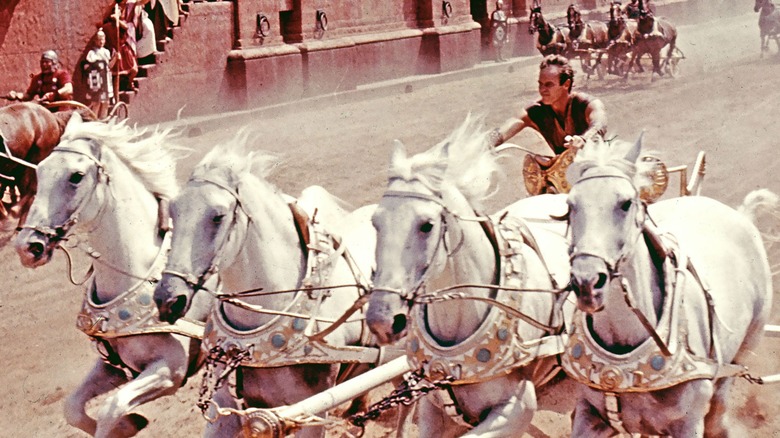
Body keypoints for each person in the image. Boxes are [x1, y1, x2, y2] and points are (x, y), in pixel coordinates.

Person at [488, 55, 607, 191]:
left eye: (549, 84)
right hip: (562, 182)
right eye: (540, 84)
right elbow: (506, 128)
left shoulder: (586, 104)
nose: (542, 89)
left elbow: (599, 124)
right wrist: (486, 143)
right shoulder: (535, 111)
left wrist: (583, 139)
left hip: (597, 176)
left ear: (566, 84)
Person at [8, 50, 74, 102]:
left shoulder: (62, 74)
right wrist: (16, 95)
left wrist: (53, 95)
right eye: (42, 62)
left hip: (62, 110)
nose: (44, 64)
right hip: (45, 111)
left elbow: (69, 89)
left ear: (54, 63)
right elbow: (29, 95)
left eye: (47, 62)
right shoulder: (37, 78)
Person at [84, 29, 116, 119]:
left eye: (103, 39)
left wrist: (116, 58)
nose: (101, 41)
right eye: (99, 39)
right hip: (97, 79)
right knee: (97, 102)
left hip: (106, 79)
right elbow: (91, 65)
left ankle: (103, 119)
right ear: (95, 40)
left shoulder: (106, 52)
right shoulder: (91, 53)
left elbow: (109, 66)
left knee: (106, 102)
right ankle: (94, 121)